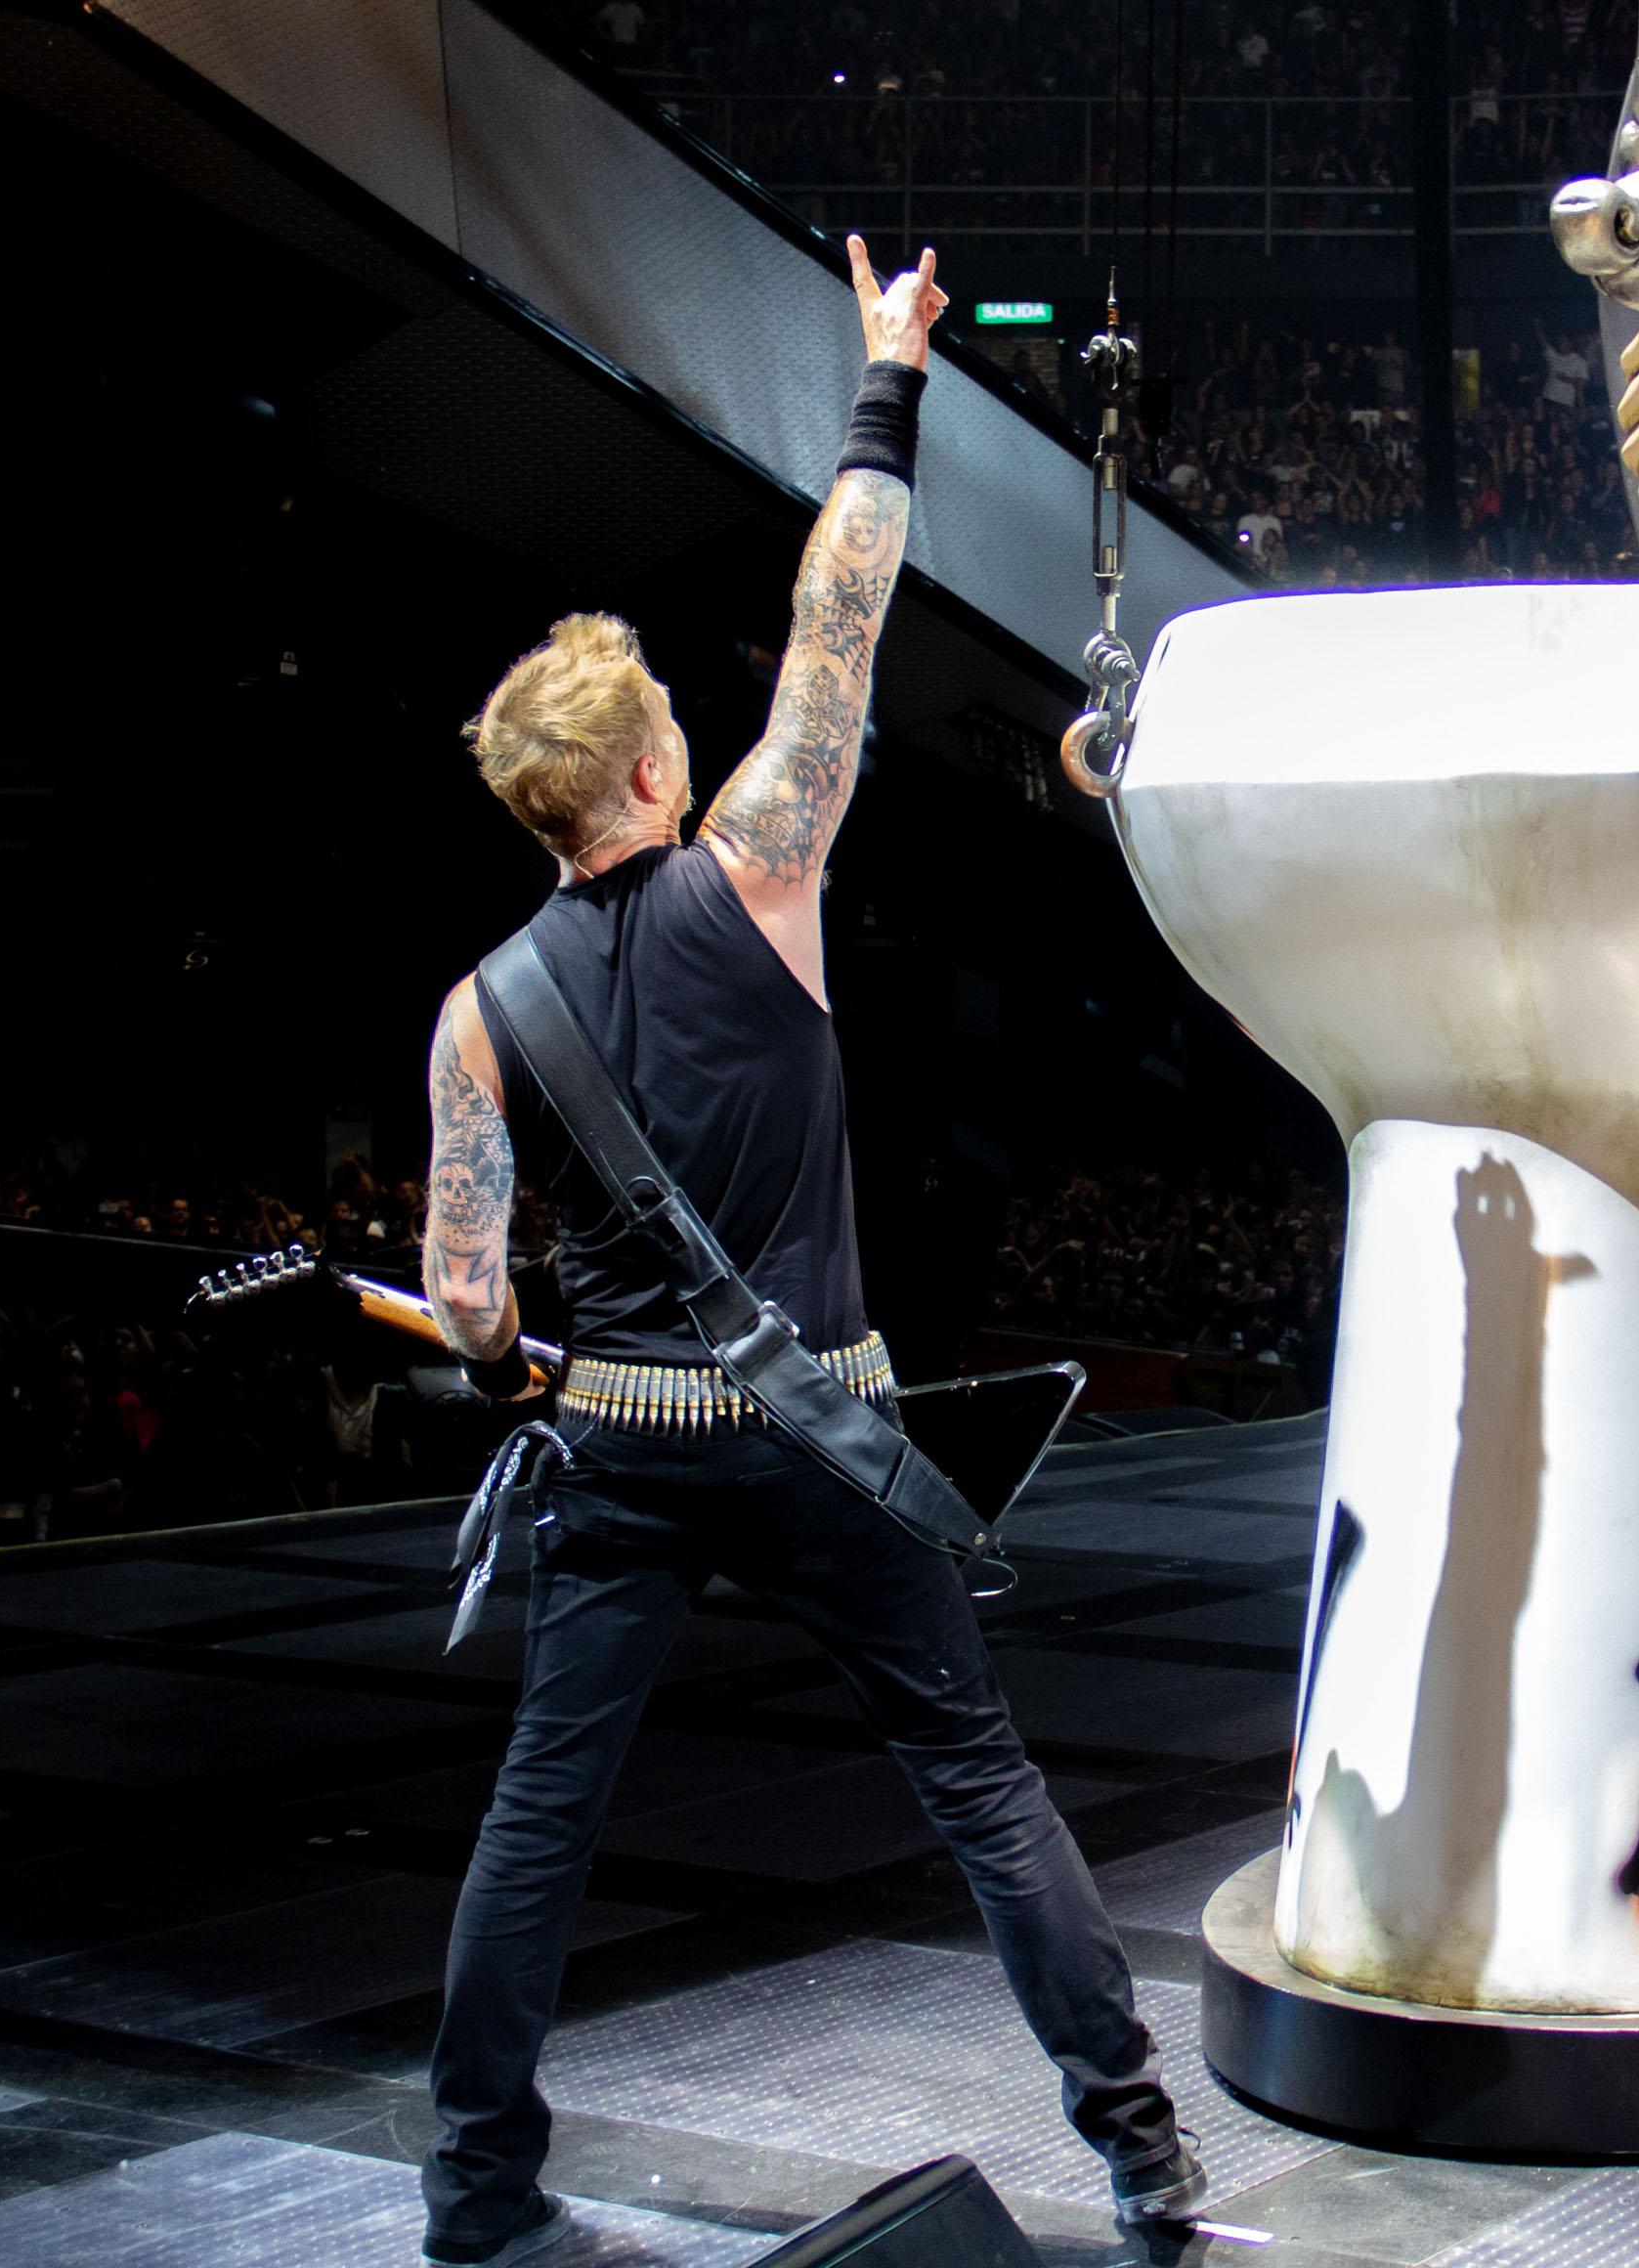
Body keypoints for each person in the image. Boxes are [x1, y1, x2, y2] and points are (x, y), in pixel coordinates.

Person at [410, 239, 1203, 2268]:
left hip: (618, 1447)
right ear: (650, 770)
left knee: (541, 1814)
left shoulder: (478, 1014)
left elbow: (474, 1302)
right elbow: (842, 603)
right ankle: (1141, 2153)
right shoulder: (762, 867)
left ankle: (476, 2195)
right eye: (674, 721)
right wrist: (885, 376)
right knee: (978, 1777)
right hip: (821, 1433)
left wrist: (498, 1351)